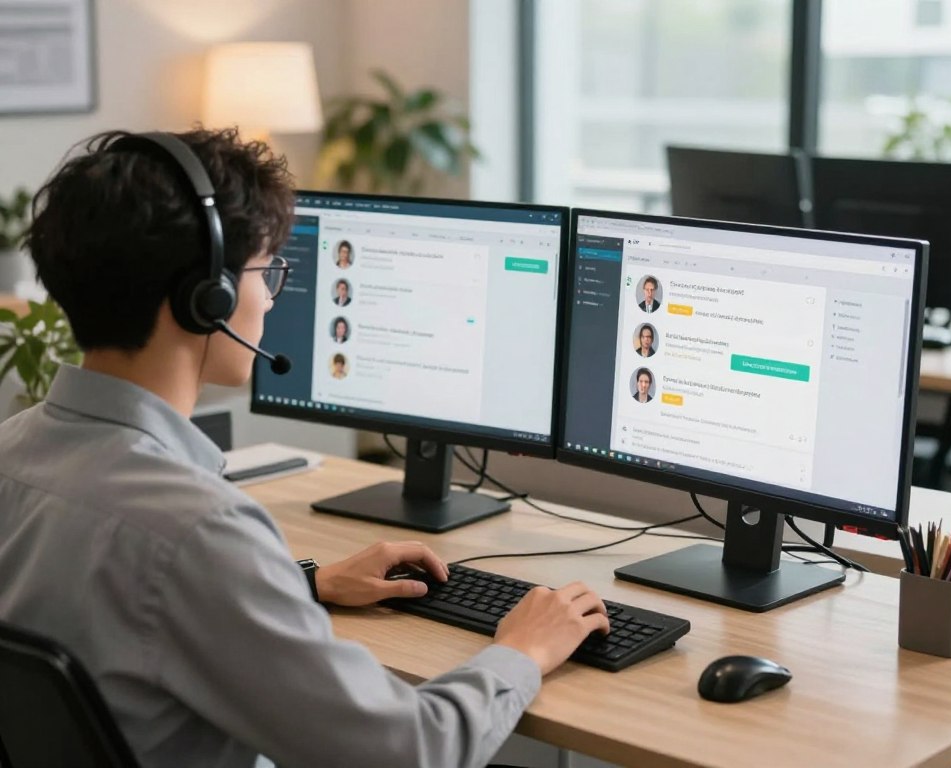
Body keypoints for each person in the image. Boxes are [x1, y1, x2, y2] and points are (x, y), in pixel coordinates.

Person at [0, 128, 610, 768]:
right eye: (267, 272)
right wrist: (522, 650)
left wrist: (300, 585)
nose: (269, 296)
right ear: (207, 298)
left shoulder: (14, 453)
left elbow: (118, 603)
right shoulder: (197, 531)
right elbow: (410, 752)